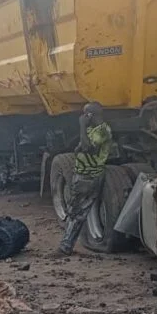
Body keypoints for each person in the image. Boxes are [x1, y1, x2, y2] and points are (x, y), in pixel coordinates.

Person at [59, 102, 112, 256]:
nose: (83, 117)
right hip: (82, 172)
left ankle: (66, 246)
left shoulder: (103, 130)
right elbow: (81, 147)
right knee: (75, 208)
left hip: (91, 174)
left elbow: (88, 148)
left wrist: (81, 126)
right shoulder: (92, 130)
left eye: (85, 114)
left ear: (90, 115)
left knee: (78, 211)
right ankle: (66, 244)